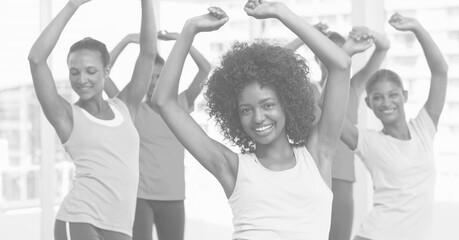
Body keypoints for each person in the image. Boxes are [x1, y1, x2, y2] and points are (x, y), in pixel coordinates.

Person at [152, 0, 351, 239]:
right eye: (246, 109)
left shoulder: (318, 156)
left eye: (268, 105)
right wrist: (189, 29)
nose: (258, 117)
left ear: (287, 103)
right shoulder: (232, 168)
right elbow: (164, 101)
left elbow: (341, 65)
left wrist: (281, 12)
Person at [27, 0, 157, 239]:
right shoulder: (66, 115)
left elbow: (148, 53)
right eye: (74, 72)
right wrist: (72, 5)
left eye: (91, 71)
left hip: (120, 227)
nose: (82, 79)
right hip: (79, 219)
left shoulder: (125, 106)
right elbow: (36, 59)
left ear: (106, 72)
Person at [340, 13, 448, 240]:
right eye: (377, 97)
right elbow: (330, 114)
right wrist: (345, 54)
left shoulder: (424, 129)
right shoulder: (368, 140)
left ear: (404, 95)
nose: (386, 103)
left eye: (392, 95)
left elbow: (440, 71)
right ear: (368, 104)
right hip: (376, 235)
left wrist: (417, 28)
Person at [104, 30, 211, 240]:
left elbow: (205, 68)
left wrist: (182, 39)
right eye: (149, 77)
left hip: (173, 197)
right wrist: (125, 39)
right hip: (140, 198)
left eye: (159, 76)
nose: (154, 82)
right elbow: (103, 75)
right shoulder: (132, 108)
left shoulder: (180, 104)